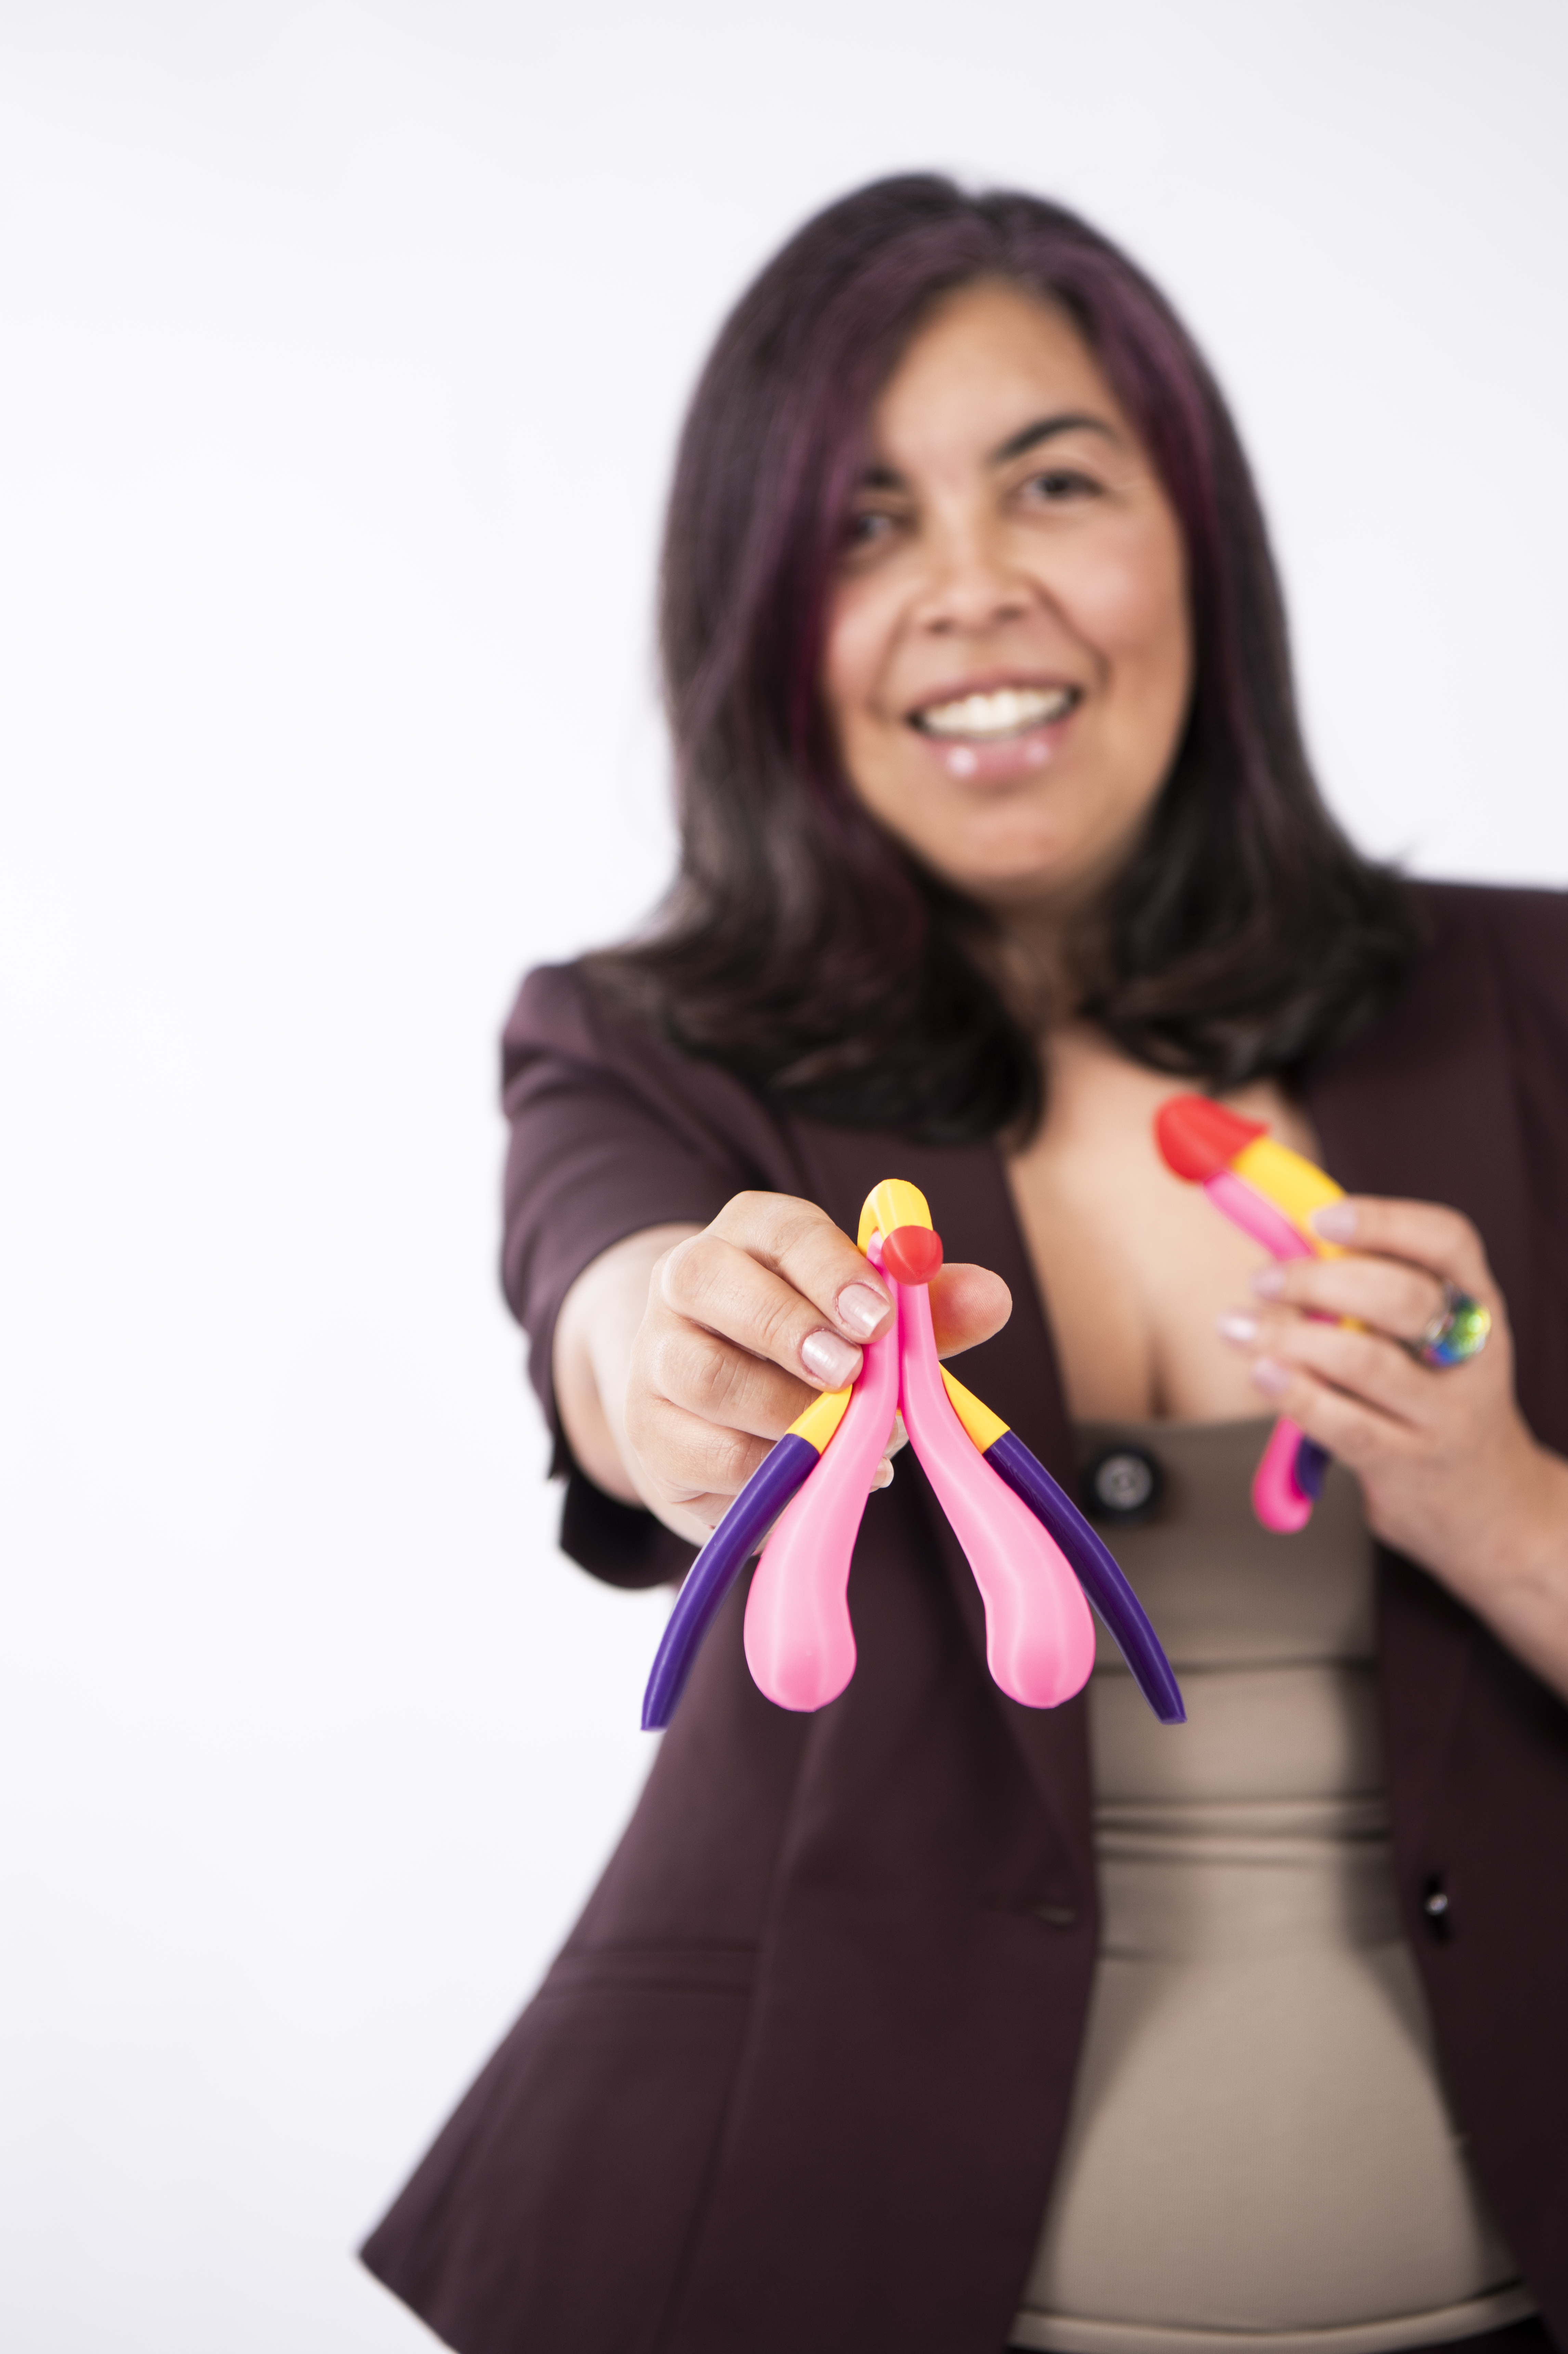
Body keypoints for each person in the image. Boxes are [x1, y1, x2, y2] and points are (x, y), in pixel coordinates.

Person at [361, 178, 1568, 2354]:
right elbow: (611, 1316)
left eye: (1054, 484)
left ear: (1195, 539)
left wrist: (1497, 1507)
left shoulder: (1535, 998)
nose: (970, 587)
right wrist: (689, 1365)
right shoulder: (640, 1050)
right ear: (757, 618)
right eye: (861, 525)